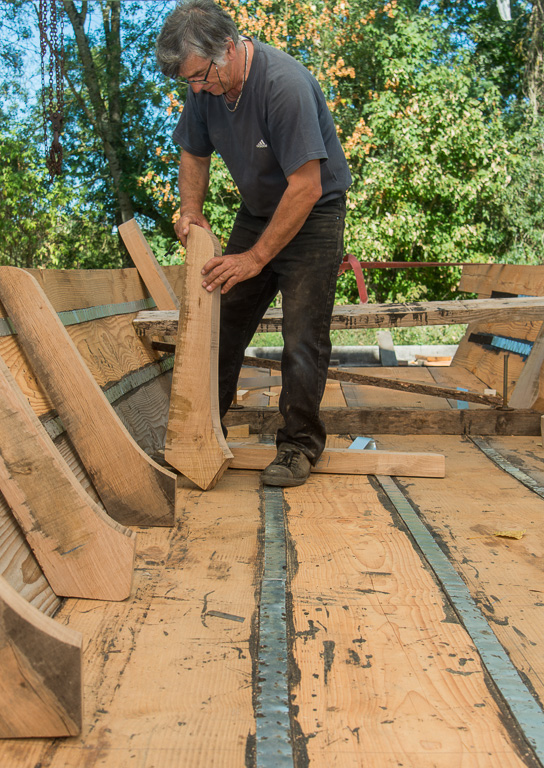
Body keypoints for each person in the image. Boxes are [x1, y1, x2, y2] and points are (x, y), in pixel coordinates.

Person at [156, 0, 351, 488]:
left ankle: (298, 448)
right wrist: (191, 211)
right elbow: (193, 154)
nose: (197, 88)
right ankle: (202, 432)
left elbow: (306, 187)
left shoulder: (283, 85)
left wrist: (255, 258)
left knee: (302, 336)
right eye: (189, 81)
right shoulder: (203, 85)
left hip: (314, 213)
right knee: (220, 320)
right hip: (260, 212)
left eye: (201, 76)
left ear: (228, 47)